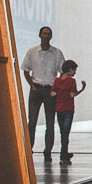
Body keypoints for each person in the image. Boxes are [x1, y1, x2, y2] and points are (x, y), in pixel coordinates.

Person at [22, 25, 65, 162]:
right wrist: (32, 86)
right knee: (32, 122)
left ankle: (48, 151)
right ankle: (29, 149)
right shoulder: (32, 52)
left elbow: (63, 72)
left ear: (51, 36)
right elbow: (26, 70)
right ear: (40, 35)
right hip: (36, 89)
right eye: (44, 33)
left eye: (49, 33)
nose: (46, 36)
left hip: (50, 90)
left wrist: (56, 88)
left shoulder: (57, 53)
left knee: (50, 122)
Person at [51, 59, 86, 165]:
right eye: (74, 70)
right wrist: (82, 89)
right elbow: (72, 95)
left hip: (59, 109)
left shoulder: (57, 80)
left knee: (63, 133)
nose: (75, 72)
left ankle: (65, 153)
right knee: (65, 134)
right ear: (70, 70)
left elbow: (52, 93)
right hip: (68, 109)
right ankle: (63, 156)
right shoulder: (71, 81)